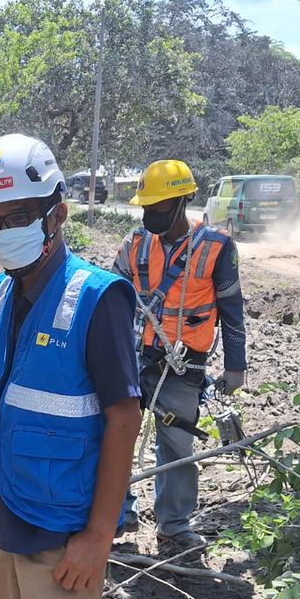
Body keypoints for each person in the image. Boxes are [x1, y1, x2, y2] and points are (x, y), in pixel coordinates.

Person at [0, 133, 143, 599]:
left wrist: (99, 536)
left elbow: (124, 418)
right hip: (8, 518)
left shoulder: (97, 298)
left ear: (58, 212)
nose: (5, 231)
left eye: (19, 217)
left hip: (65, 540)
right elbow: (2, 402)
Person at [113, 160, 248, 552]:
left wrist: (235, 366)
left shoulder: (216, 247)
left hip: (183, 366)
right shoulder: (134, 245)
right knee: (116, 437)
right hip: (134, 360)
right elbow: (111, 303)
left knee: (176, 446)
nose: (149, 214)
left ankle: (173, 524)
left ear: (183, 200)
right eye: (146, 207)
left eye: (157, 206)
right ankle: (119, 515)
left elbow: (232, 309)